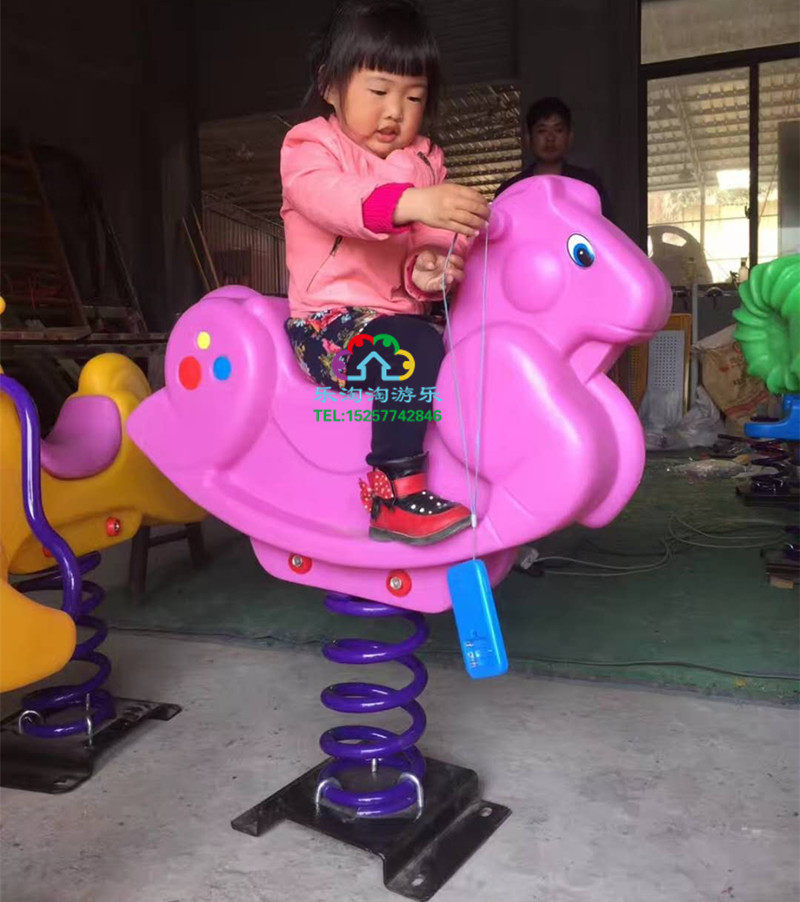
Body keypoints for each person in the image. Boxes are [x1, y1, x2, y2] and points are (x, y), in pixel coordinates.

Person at [281, 0, 490, 545]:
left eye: (413, 97)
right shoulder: (310, 147)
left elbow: (432, 242)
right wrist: (413, 202)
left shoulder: (425, 159)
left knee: (470, 344)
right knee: (412, 348)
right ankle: (394, 494)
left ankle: (483, 473)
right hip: (329, 328)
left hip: (403, 320)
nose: (395, 112)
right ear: (330, 86)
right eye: (378, 91)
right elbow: (334, 200)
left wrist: (434, 268)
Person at [495, 97, 612, 219]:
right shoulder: (511, 190)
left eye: (558, 130)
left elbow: (605, 227)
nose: (550, 138)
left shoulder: (588, 185)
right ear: (528, 138)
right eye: (542, 131)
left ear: (569, 137)